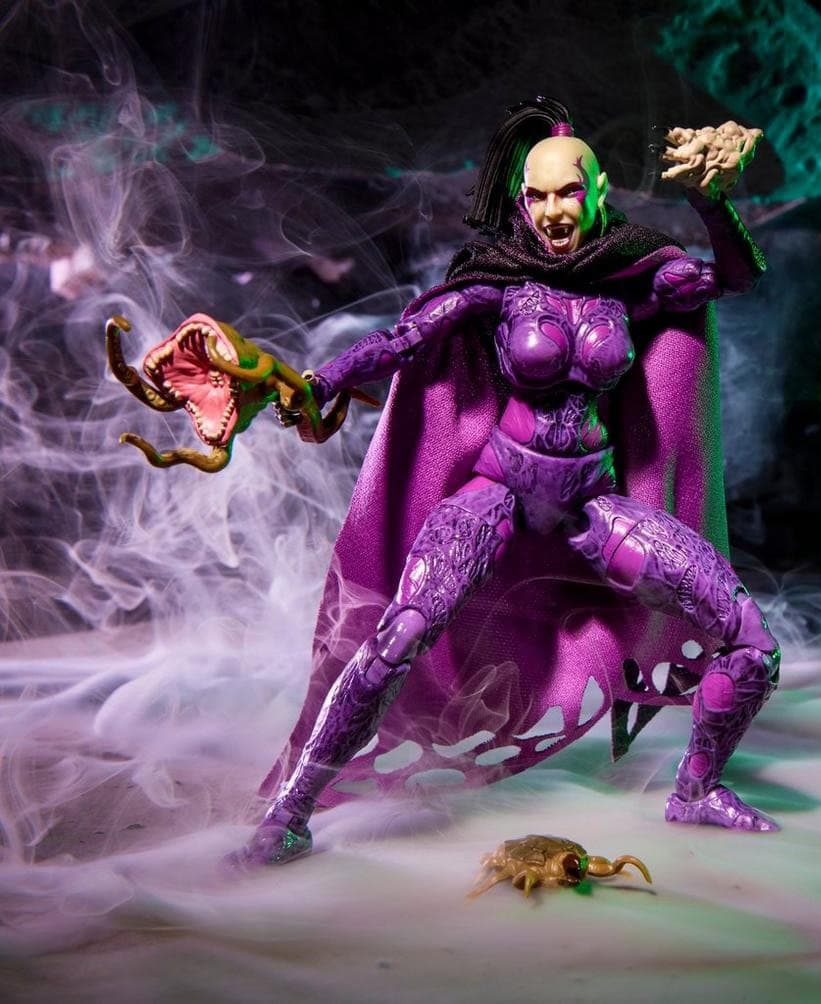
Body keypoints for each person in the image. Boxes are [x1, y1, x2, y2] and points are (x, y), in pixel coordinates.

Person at [233, 97, 780, 867]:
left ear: (598, 192)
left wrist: (711, 202)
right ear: (521, 202)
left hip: (593, 506)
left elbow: (734, 277)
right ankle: (292, 810)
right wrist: (321, 381)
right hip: (497, 495)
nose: (553, 212)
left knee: (751, 642)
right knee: (397, 638)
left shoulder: (632, 285)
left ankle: (695, 790)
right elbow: (404, 339)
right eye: (538, 196)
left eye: (569, 192)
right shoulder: (497, 286)